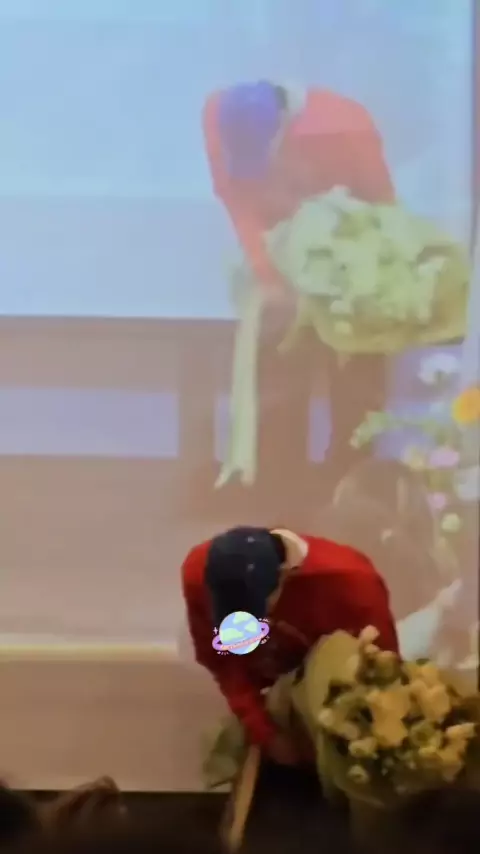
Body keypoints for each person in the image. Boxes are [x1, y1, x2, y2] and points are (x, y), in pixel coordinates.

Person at [202, 80, 394, 473]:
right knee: (278, 372)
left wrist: (357, 278)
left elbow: (382, 208)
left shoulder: (346, 127)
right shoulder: (217, 116)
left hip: (351, 257)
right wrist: (269, 272)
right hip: (282, 253)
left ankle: (350, 481)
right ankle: (278, 481)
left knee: (357, 385)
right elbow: (239, 200)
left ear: (285, 127)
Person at [182, 526, 398, 768]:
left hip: (338, 697)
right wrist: (264, 731)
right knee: (219, 747)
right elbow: (224, 663)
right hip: (272, 691)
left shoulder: (354, 586)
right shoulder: (196, 573)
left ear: (285, 575)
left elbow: (386, 673)